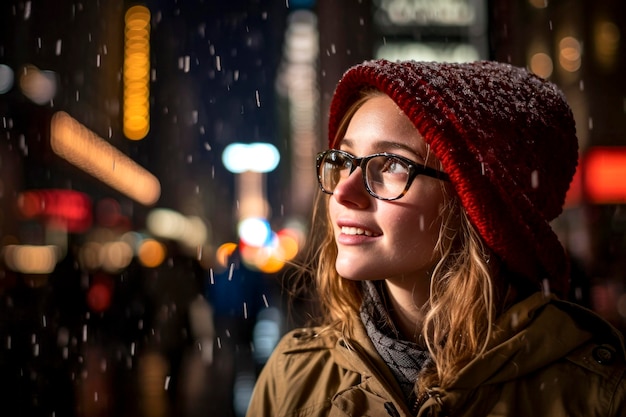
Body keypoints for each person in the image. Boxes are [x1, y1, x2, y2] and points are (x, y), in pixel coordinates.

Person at [245, 59, 626, 416]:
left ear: (476, 204)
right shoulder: (293, 377)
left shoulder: (596, 393)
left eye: (392, 164)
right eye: (344, 161)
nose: (344, 192)